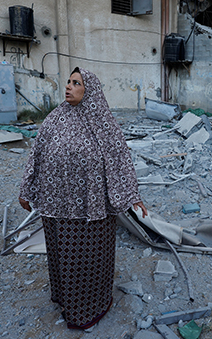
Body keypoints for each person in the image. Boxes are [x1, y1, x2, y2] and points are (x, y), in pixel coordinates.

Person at [18, 67, 147, 330]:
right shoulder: (55, 119)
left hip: (93, 210)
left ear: (90, 90)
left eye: (76, 83)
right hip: (57, 206)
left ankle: (90, 307)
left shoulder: (103, 122)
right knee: (62, 257)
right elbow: (37, 154)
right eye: (68, 82)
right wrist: (27, 189)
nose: (68, 86)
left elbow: (119, 160)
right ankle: (65, 300)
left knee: (89, 260)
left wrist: (132, 194)